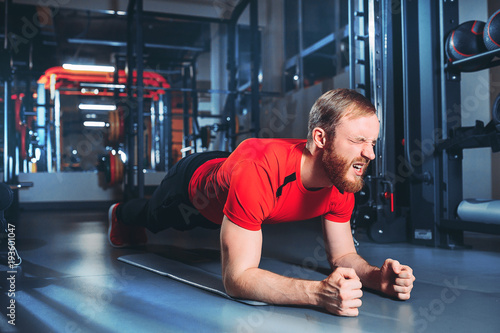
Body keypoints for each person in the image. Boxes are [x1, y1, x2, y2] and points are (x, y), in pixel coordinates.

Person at [108, 88, 415, 317]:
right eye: (358, 141)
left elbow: (344, 255)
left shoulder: (341, 177)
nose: (370, 154)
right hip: (190, 189)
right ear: (321, 138)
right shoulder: (259, 169)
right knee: (151, 218)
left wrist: (377, 278)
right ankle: (120, 213)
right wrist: (318, 293)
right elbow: (237, 279)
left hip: (231, 177)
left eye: (372, 142)